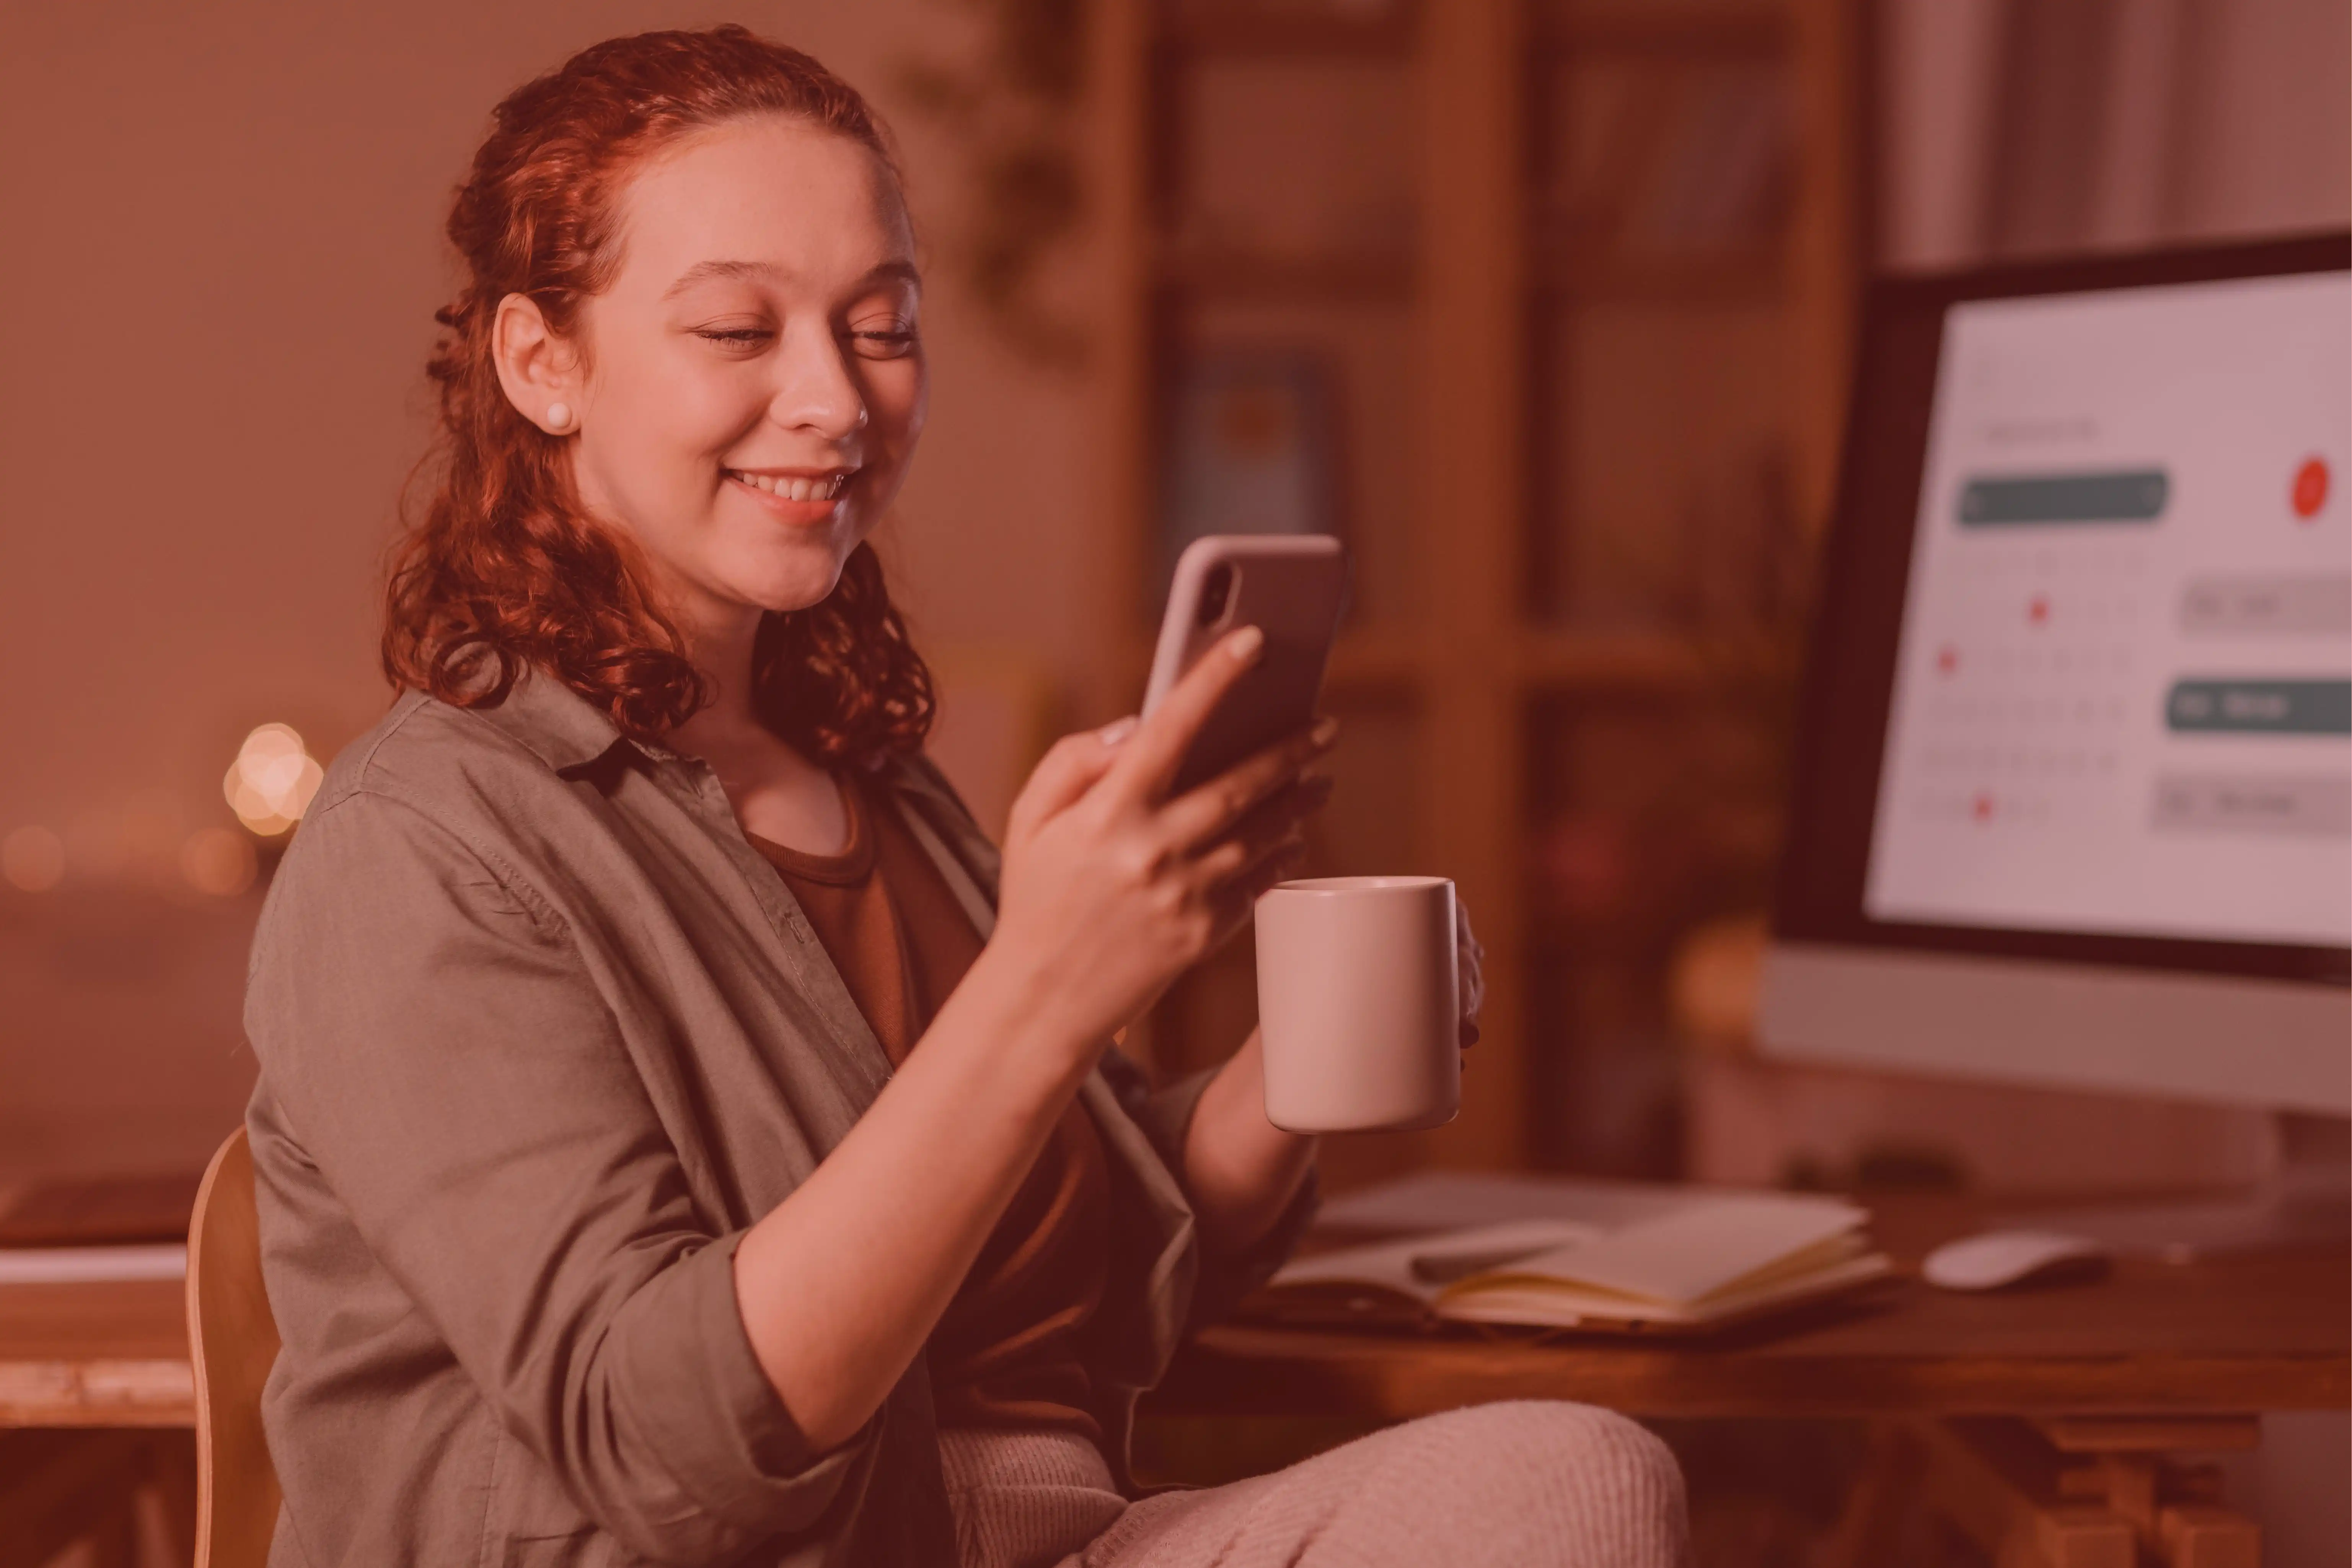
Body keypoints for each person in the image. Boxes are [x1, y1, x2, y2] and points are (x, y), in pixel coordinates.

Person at [243, 26, 1688, 1568]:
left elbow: (1070, 1259)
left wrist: (1290, 1074)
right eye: (738, 329)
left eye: (882, 324)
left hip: (1041, 1533)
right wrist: (1045, 991)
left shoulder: (874, 783)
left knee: (1575, 1480)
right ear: (543, 364)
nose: (834, 400)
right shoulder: (424, 851)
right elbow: (670, 1452)